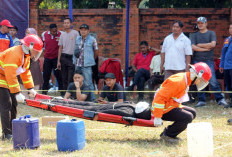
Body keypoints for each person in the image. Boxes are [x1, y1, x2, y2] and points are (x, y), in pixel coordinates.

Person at [152, 62, 211, 143]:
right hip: (162, 108)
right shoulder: (178, 81)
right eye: (201, 80)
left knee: (192, 112)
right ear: (197, 76)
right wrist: (157, 116)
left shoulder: (186, 79)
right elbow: (159, 97)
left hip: (169, 105)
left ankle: (169, 132)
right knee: (188, 117)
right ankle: (168, 135)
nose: (200, 82)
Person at [0, 34, 43, 140]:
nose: (37, 54)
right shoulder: (15, 53)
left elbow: (25, 72)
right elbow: (10, 74)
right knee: (7, 104)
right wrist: (17, 93)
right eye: (36, 51)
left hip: (7, 77)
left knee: (13, 104)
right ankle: (6, 133)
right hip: (2, 77)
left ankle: (12, 129)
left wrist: (30, 88)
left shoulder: (26, 56)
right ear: (30, 47)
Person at [191, 16, 228, 107]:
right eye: (198, 23)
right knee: (199, 81)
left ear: (206, 24)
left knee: (213, 80)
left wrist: (200, 45)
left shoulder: (211, 33)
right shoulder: (194, 35)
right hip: (197, 61)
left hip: (209, 61)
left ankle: (220, 99)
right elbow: (193, 47)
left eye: (202, 23)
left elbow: (213, 45)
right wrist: (205, 48)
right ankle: (201, 101)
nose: (200, 25)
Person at [73, 24, 98, 101]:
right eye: (81, 30)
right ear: (79, 31)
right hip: (77, 63)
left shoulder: (92, 39)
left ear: (88, 31)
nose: (83, 31)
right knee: (77, 81)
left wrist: (91, 60)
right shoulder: (77, 38)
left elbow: (96, 51)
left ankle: (92, 99)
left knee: (88, 82)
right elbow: (75, 49)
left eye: (85, 30)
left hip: (87, 64)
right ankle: (78, 97)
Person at [19, 28, 43, 98]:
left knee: (34, 80)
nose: (27, 34)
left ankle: (33, 98)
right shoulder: (23, 41)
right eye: (26, 33)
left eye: (29, 33)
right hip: (24, 62)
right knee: (23, 80)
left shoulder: (37, 41)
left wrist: (35, 57)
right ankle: (24, 98)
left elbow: (39, 51)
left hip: (33, 64)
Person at [57, 18, 79, 92]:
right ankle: (65, 94)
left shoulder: (75, 33)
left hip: (72, 58)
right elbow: (60, 48)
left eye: (68, 23)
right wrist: (58, 61)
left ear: (71, 24)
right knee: (64, 77)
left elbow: (79, 45)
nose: (66, 24)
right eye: (65, 23)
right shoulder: (62, 35)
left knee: (71, 77)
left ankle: (71, 94)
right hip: (63, 57)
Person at [41, 24, 63, 96]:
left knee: (59, 75)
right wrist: (46, 53)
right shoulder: (44, 34)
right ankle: (44, 92)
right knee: (46, 76)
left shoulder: (61, 34)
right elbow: (42, 45)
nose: (55, 32)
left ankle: (62, 92)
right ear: (49, 30)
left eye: (56, 30)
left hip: (56, 59)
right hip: (47, 59)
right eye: (53, 31)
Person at [219, 23, 232, 108]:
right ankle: (231, 101)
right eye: (230, 28)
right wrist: (221, 65)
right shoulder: (227, 39)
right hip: (227, 66)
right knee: (228, 85)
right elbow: (223, 53)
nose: (231, 29)